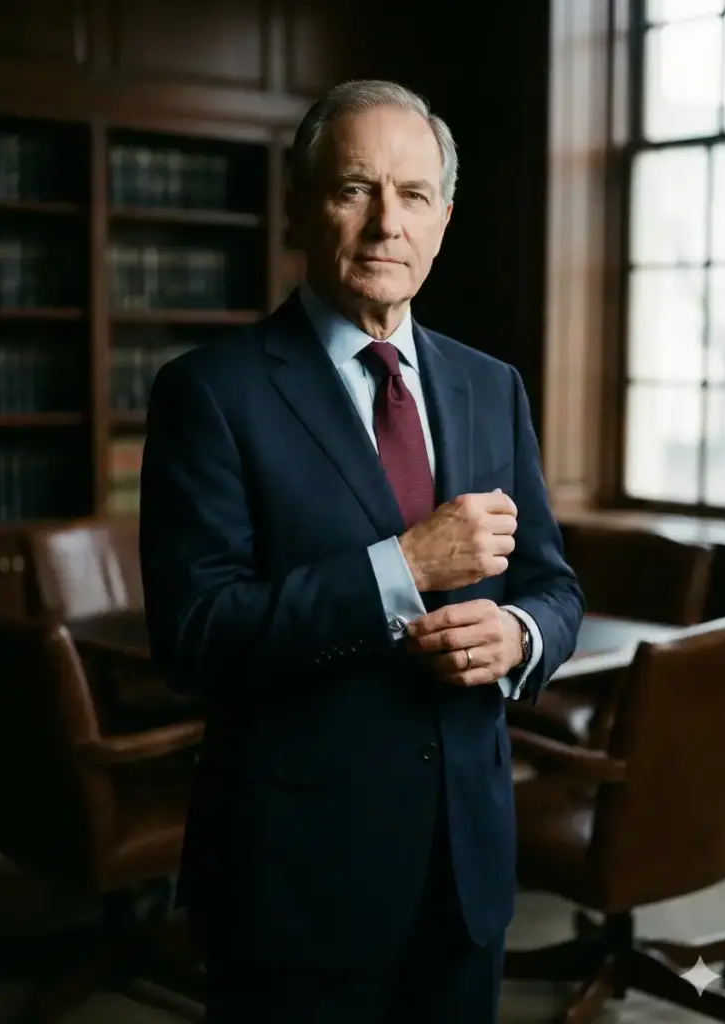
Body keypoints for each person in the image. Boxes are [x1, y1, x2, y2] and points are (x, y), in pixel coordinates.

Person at [139, 79, 584, 1024]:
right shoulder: (208, 393)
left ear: (444, 218)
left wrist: (518, 635)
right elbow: (193, 637)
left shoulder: (489, 385)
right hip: (294, 879)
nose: (387, 223)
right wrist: (405, 568)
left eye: (413, 195)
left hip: (464, 867)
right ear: (300, 205)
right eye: (353, 188)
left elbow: (551, 584)